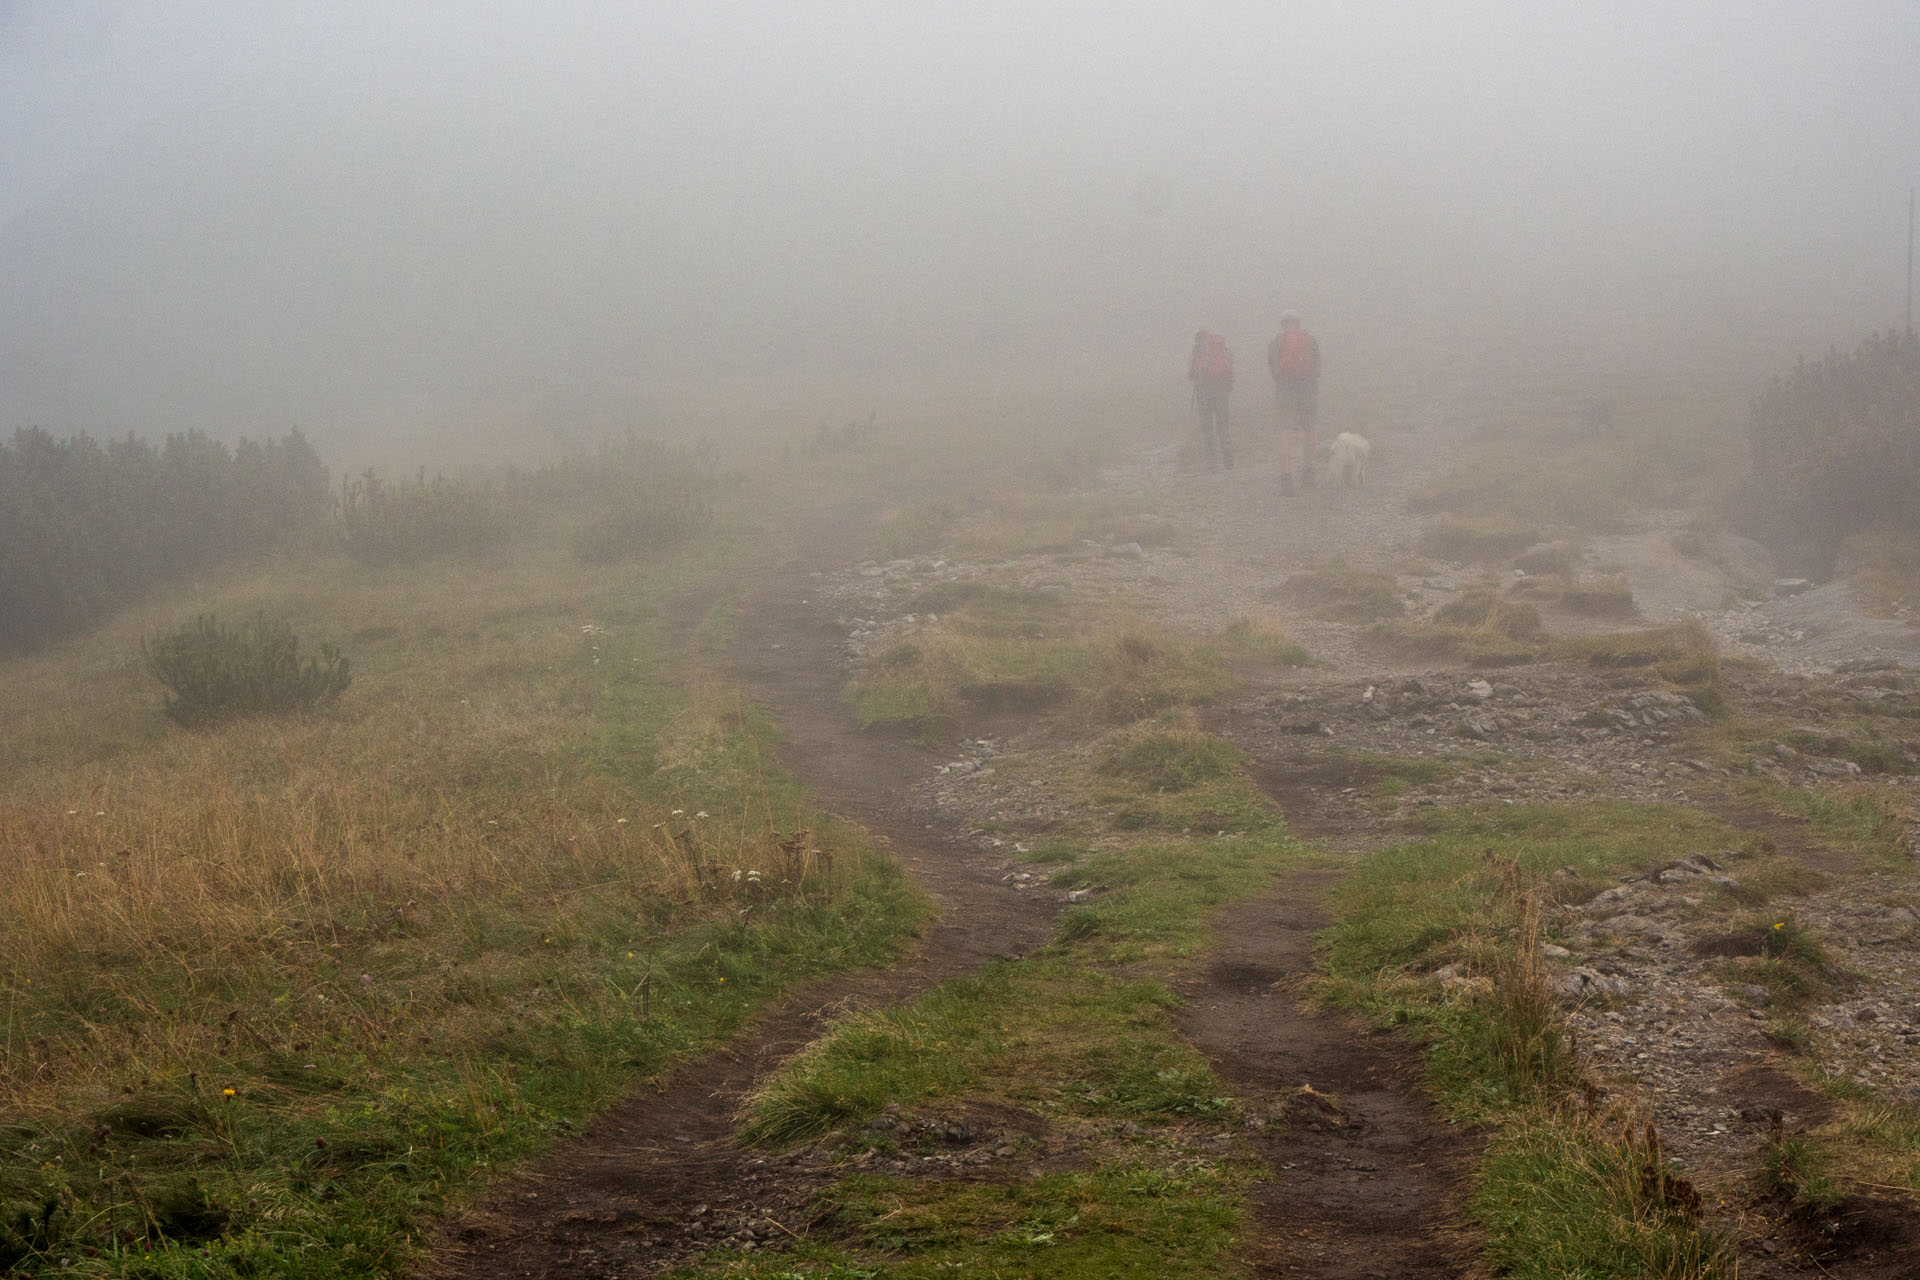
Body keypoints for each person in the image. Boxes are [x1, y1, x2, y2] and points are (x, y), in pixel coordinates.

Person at [1267, 310, 1321, 494]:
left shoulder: (1276, 342)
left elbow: (1272, 369)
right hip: (1307, 387)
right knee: (1310, 429)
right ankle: (1308, 472)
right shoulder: (1310, 339)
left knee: (1285, 432)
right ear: (1298, 322)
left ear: (1283, 324)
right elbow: (1318, 367)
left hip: (1285, 390)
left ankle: (1286, 479)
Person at [1187, 329, 1235, 469]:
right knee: (1223, 425)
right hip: (1222, 392)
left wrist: (1195, 376)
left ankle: (1212, 461)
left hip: (1204, 394)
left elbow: (1191, 374)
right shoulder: (1223, 349)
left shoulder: (1197, 351)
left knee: (1207, 427)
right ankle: (1226, 449)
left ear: (1197, 340)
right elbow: (1231, 370)